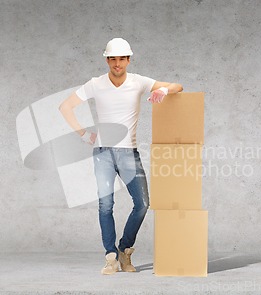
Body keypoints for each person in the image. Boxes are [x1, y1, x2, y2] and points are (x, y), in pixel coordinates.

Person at [58, 38, 183, 275]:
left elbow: (179, 86)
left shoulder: (139, 82)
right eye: (112, 59)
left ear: (128, 60)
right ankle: (111, 257)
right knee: (106, 205)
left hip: (129, 153)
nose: (117, 64)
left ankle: (125, 250)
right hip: (103, 153)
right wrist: (84, 134)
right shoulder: (96, 84)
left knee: (143, 204)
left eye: (121, 59)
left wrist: (164, 90)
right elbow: (65, 106)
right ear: (107, 60)